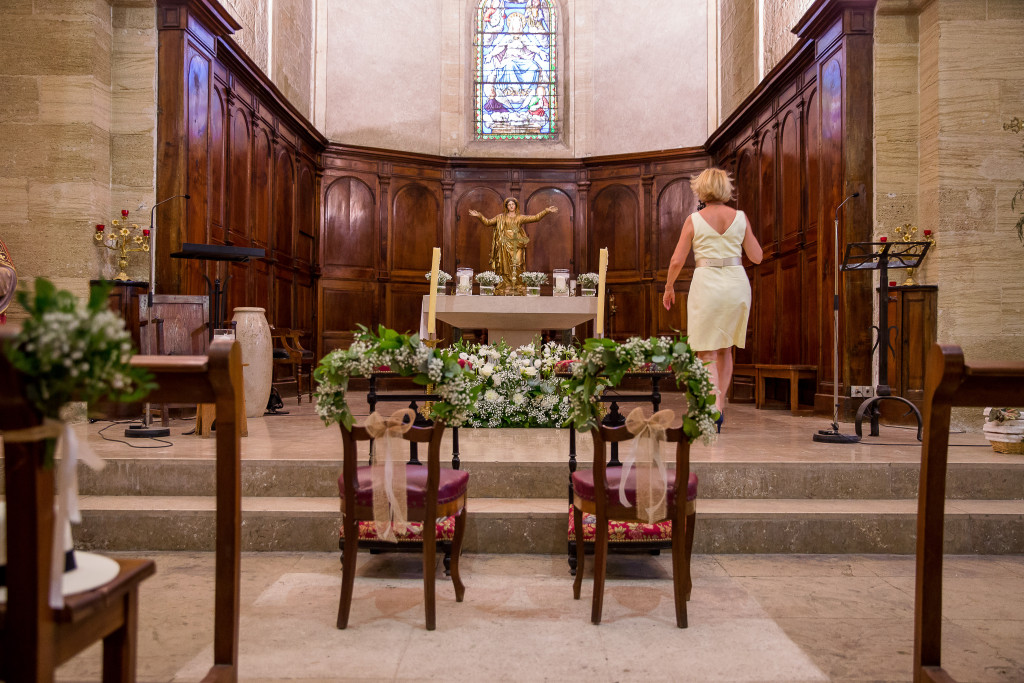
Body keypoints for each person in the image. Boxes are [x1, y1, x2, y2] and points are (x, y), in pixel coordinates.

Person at [662, 168, 763, 431]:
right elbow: (757, 256)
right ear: (725, 189)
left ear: (702, 189)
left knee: (706, 349)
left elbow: (676, 260)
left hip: (707, 283)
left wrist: (669, 287)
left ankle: (712, 407)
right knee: (725, 348)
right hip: (736, 284)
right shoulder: (740, 217)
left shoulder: (694, 219)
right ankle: (719, 405)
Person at [468, 198, 557, 295]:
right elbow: (488, 222)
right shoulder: (500, 217)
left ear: (516, 205)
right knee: (504, 266)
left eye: (512, 204)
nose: (511, 206)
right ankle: (506, 285)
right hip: (504, 244)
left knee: (518, 264)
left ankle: (518, 285)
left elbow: (535, 218)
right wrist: (479, 216)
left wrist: (546, 211)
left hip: (517, 243)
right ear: (506, 206)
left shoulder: (520, 217)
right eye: (509, 204)